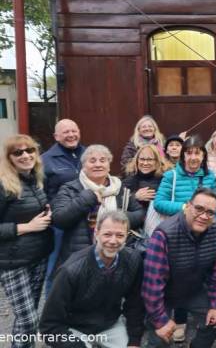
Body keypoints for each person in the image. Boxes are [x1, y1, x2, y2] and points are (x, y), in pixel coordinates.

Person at [39, 210, 145, 348]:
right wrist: (76, 345)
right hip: (74, 327)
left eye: (120, 235)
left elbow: (135, 304)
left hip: (110, 325)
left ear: (127, 236)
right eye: (107, 234)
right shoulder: (70, 270)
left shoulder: (133, 260)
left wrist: (134, 341)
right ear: (96, 233)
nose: (113, 241)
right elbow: (48, 325)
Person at [142, 188, 216, 348]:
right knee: (159, 339)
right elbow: (152, 283)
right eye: (199, 209)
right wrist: (161, 320)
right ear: (187, 206)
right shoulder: (164, 234)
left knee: (214, 322)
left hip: (194, 290)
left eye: (210, 212)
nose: (204, 216)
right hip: (164, 294)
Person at [153, 135, 216, 342]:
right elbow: (159, 203)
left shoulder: (209, 177)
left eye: (197, 152)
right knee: (176, 276)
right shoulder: (171, 176)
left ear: (203, 155)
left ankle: (199, 316)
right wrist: (184, 208)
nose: (193, 157)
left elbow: (214, 203)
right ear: (182, 156)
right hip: (177, 234)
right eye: (189, 152)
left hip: (202, 235)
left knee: (198, 275)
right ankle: (178, 321)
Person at [0, 134, 53, 348]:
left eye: (29, 150)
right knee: (29, 320)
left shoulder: (36, 180)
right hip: (13, 262)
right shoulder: (4, 185)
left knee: (26, 321)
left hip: (38, 257)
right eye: (18, 152)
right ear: (9, 157)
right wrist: (26, 227)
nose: (25, 155)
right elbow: (25, 221)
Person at [52, 144, 144, 266]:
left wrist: (118, 219)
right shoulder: (70, 189)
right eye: (92, 161)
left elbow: (140, 213)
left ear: (109, 166)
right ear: (84, 166)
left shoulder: (120, 188)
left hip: (114, 254)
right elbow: (59, 219)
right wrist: (87, 198)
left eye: (103, 160)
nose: (98, 164)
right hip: (80, 257)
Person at [42, 119, 85, 295]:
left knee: (85, 264)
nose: (71, 135)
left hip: (86, 217)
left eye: (74, 131)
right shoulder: (46, 160)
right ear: (56, 136)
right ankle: (53, 307)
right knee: (56, 266)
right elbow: (40, 191)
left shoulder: (88, 153)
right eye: (66, 132)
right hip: (59, 222)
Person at [123, 145, 171, 210]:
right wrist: (135, 196)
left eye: (150, 159)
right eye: (142, 159)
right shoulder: (129, 179)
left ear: (157, 161)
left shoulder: (166, 179)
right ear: (137, 161)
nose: (145, 163)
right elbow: (120, 203)